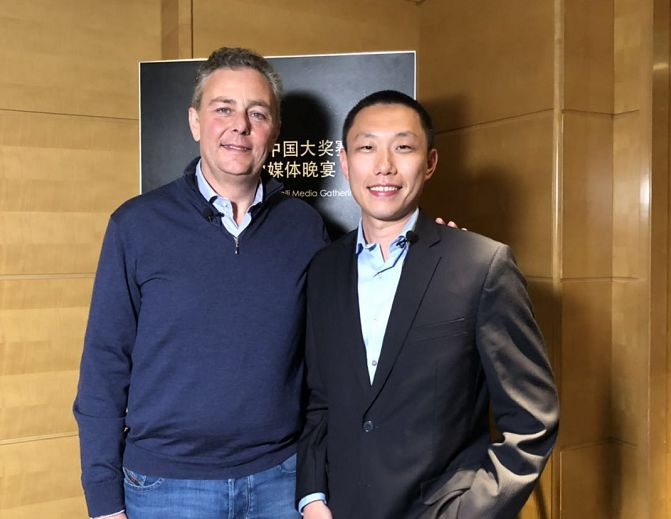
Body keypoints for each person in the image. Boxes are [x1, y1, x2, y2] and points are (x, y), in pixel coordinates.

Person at [73, 47, 329, 519]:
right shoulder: (136, 225)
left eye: (257, 113)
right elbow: (104, 366)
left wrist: (431, 251)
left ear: (274, 130)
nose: (240, 126)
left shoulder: (305, 228)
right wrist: (104, 501)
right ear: (195, 122)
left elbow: (333, 352)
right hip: (166, 487)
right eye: (223, 109)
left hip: (281, 479)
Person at [296, 90, 559, 519]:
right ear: (344, 162)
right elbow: (320, 400)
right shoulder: (323, 269)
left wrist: (471, 512)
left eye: (403, 147)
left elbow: (532, 421)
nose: (384, 165)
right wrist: (312, 498)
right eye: (367, 148)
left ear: (430, 162)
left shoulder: (481, 265)